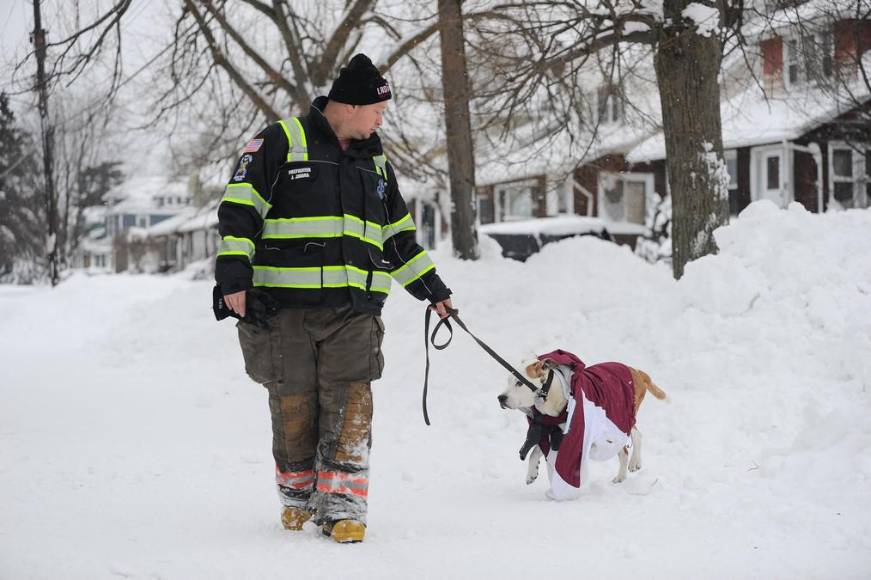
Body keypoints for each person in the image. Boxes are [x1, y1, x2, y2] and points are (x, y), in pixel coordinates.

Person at [214, 53, 454, 544]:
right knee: (294, 405)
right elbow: (240, 209)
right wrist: (234, 275)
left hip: (354, 311)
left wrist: (433, 291)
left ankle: (344, 507)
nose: (381, 120)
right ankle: (299, 499)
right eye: (378, 111)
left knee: (351, 403)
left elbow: (397, 237)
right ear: (349, 106)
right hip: (284, 310)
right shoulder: (282, 141)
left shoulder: (376, 162)